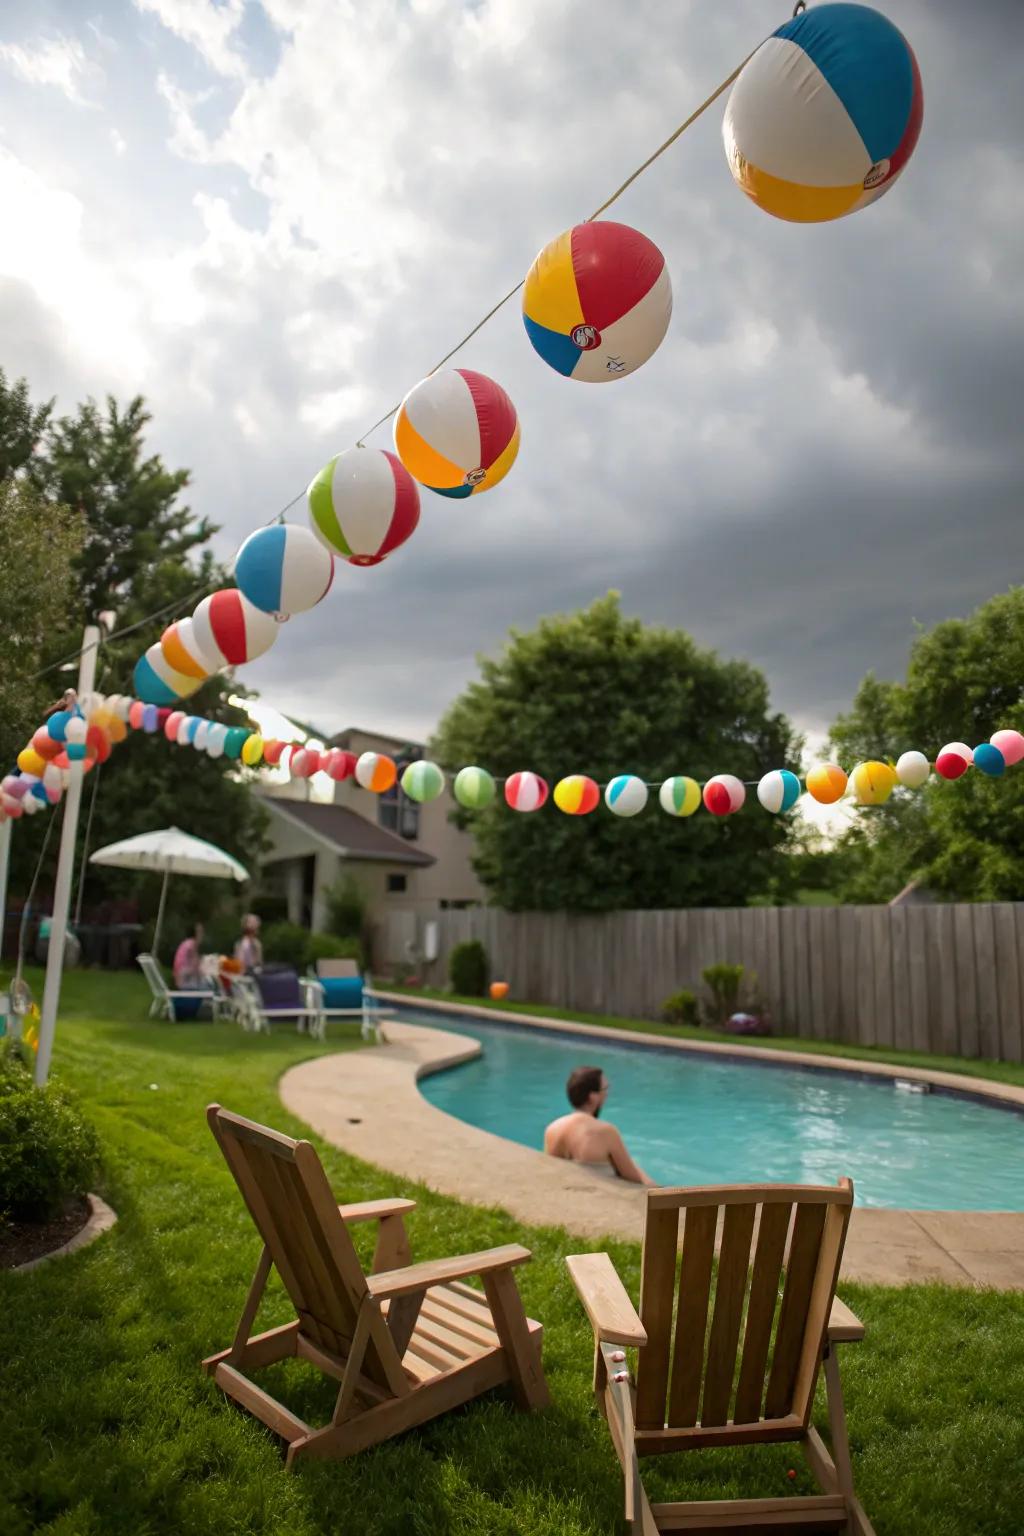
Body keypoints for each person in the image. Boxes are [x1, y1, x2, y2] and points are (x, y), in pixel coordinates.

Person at [543, 1065, 655, 1185]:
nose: (606, 1094)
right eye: (605, 1089)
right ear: (592, 1097)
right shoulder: (605, 1132)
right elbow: (634, 1179)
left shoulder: (552, 1129)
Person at [173, 922, 205, 989]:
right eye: (200, 932)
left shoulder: (187, 943)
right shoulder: (192, 945)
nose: (202, 935)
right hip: (185, 982)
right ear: (195, 933)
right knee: (209, 985)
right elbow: (196, 967)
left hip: (181, 980)